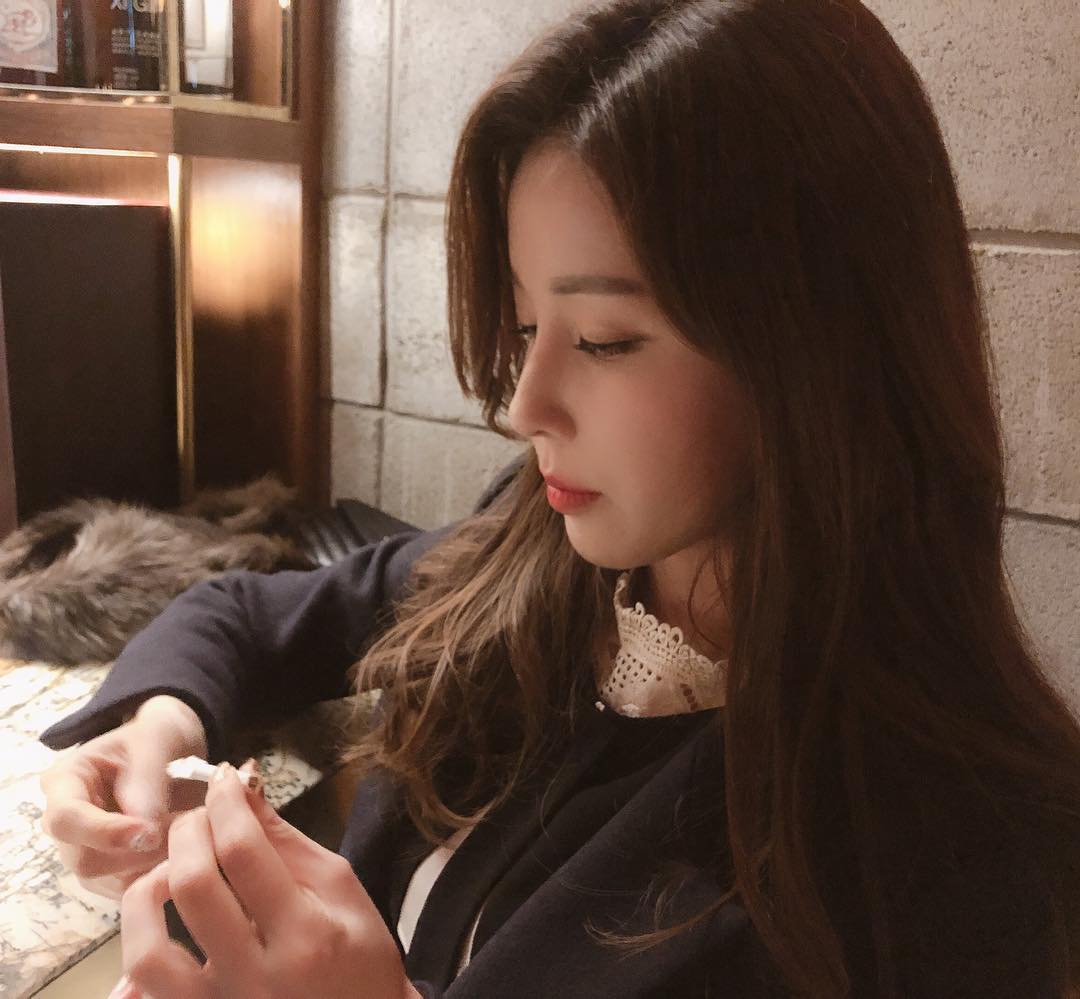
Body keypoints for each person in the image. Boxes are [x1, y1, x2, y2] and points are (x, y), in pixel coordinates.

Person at [37, 0, 1080, 996]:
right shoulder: (541, 549)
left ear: (821, 350)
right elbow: (252, 612)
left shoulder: (967, 849)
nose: (525, 404)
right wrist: (159, 725)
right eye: (527, 326)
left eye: (606, 341)